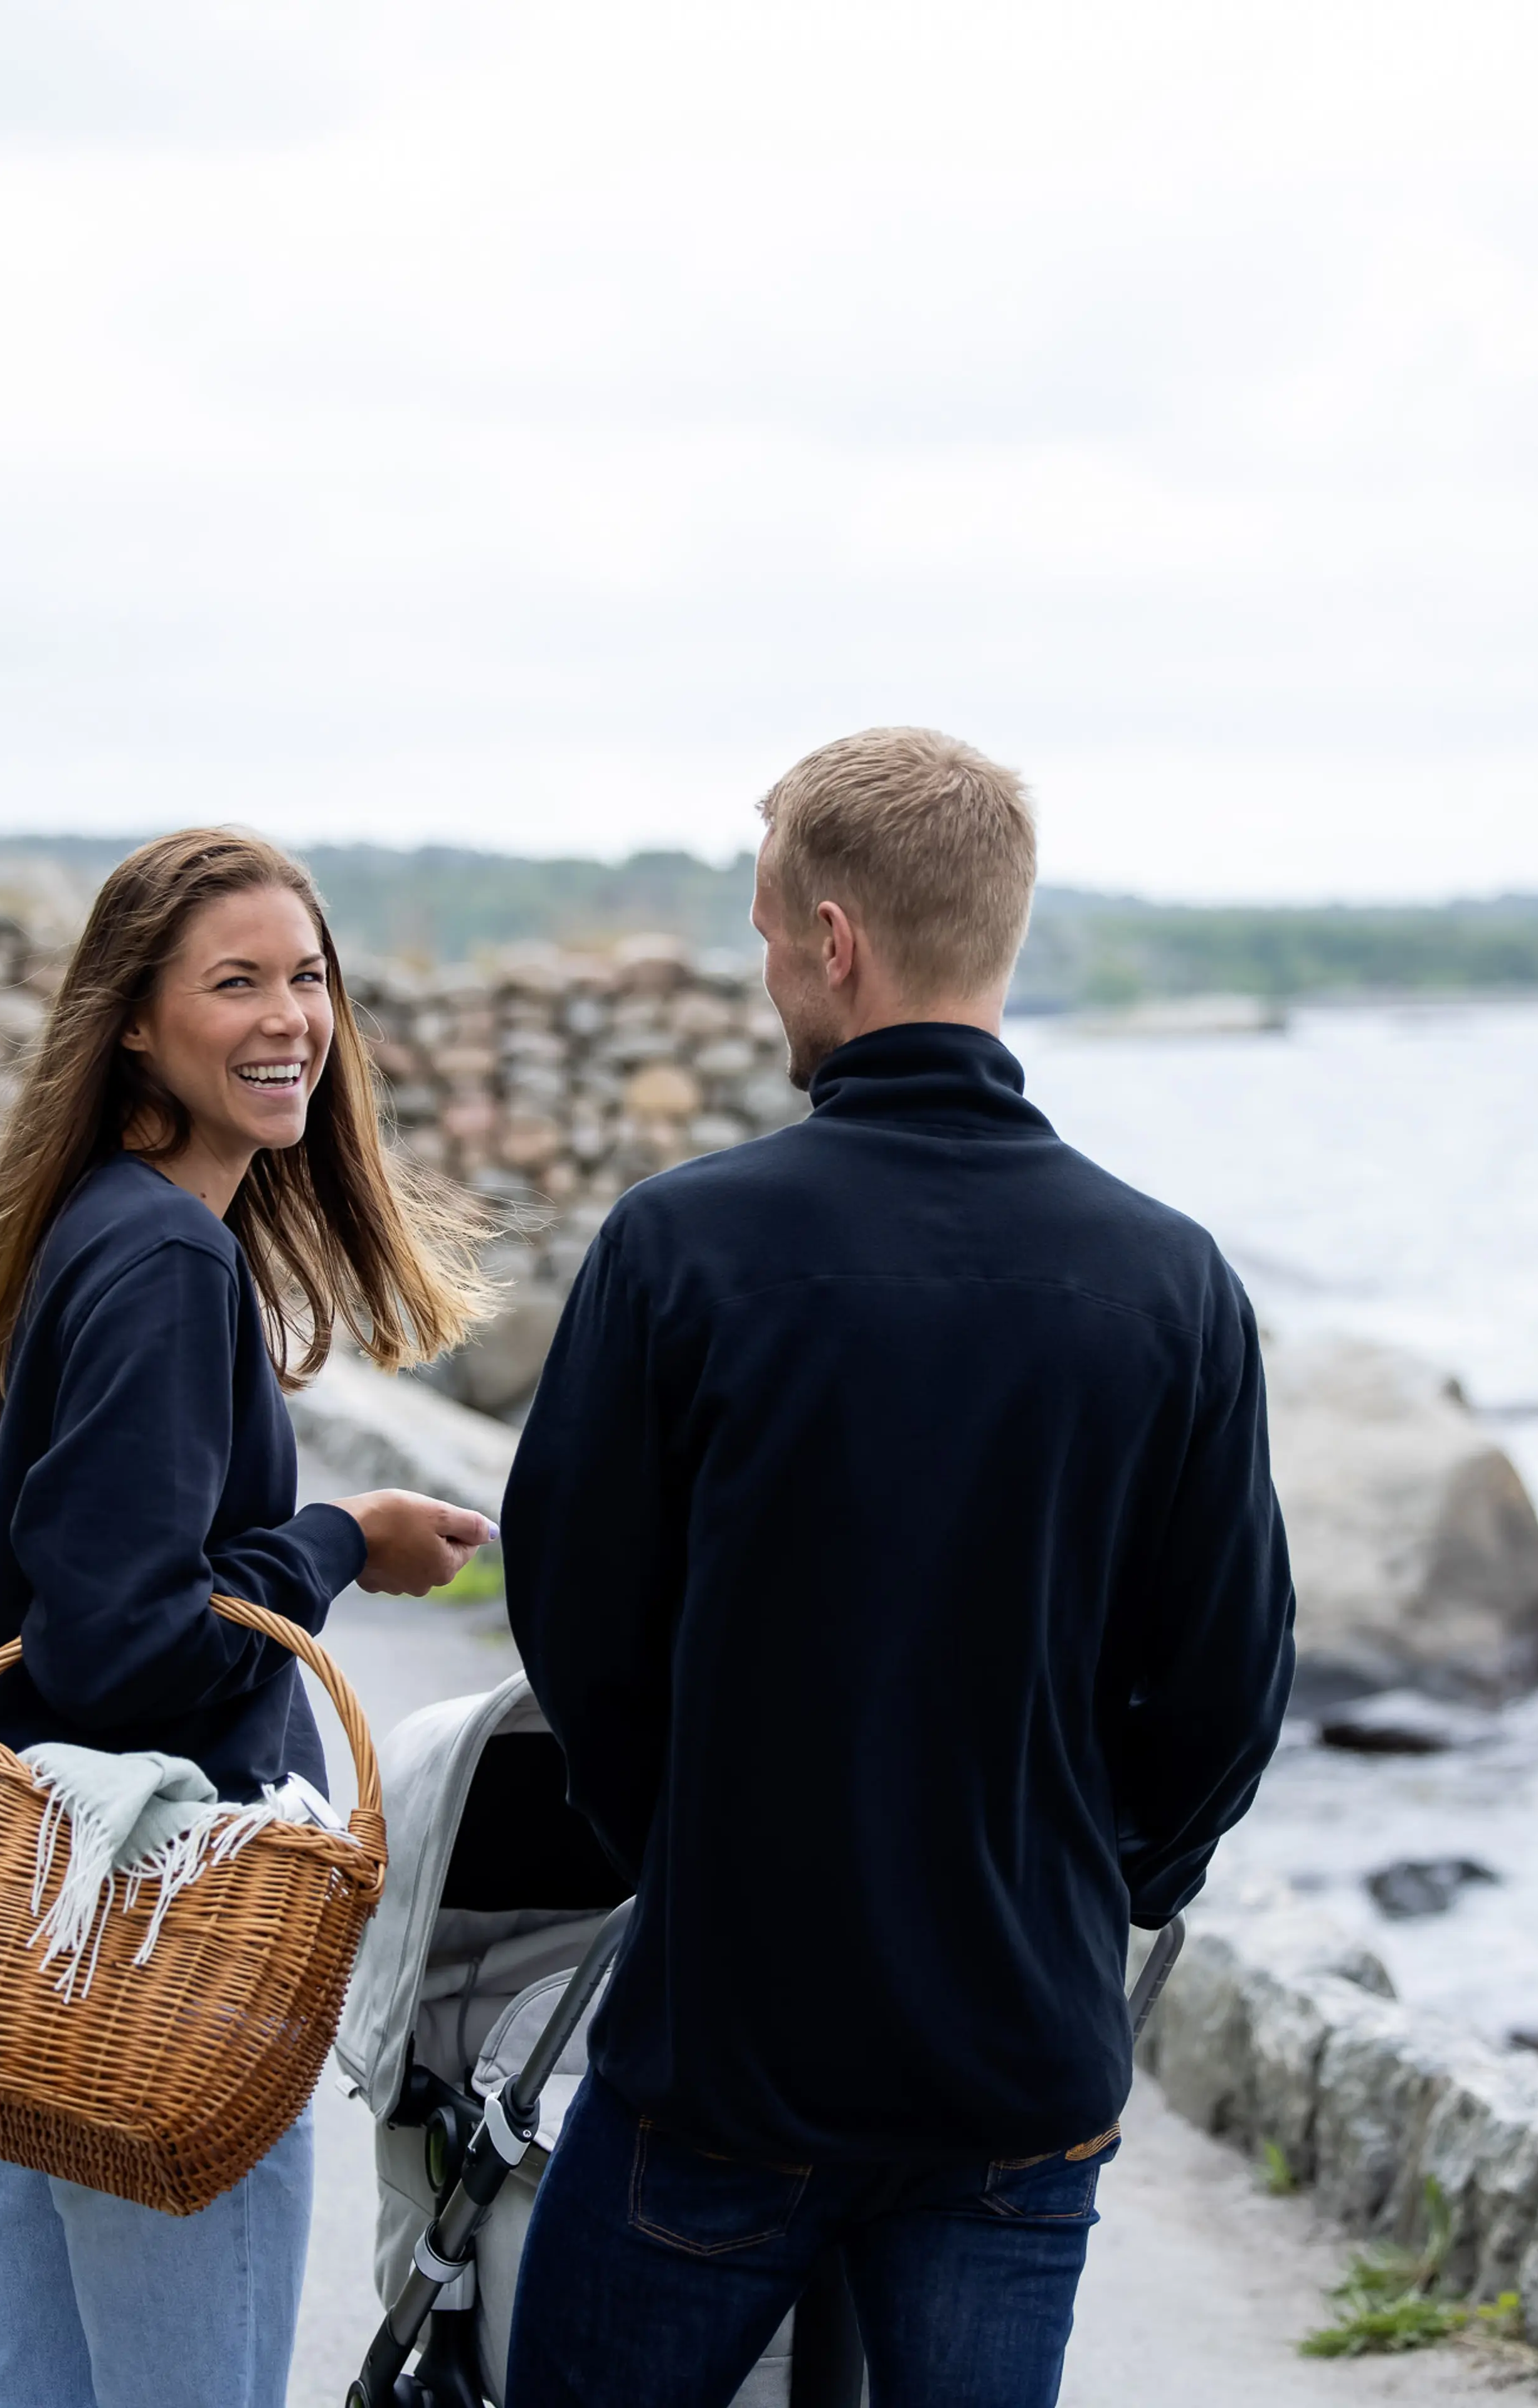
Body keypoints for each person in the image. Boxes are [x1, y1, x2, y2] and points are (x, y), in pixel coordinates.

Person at [499, 729, 1297, 2408]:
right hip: (1016, 2066)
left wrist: (699, 1865)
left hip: (729, 2064)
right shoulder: (1172, 1283)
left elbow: (579, 1629)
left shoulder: (679, 1249)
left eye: (769, 935)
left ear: (835, 941)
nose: (766, 973)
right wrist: (1092, 1886)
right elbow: (1227, 1685)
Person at [0, 828, 496, 2408]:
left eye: (308, 977)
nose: (289, 1017)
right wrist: (337, 1542)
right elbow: (124, 1648)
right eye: (236, 982)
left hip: (9, 1930)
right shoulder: (166, 1257)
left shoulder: (57, 1226)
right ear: (134, 1023)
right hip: (156, 1955)